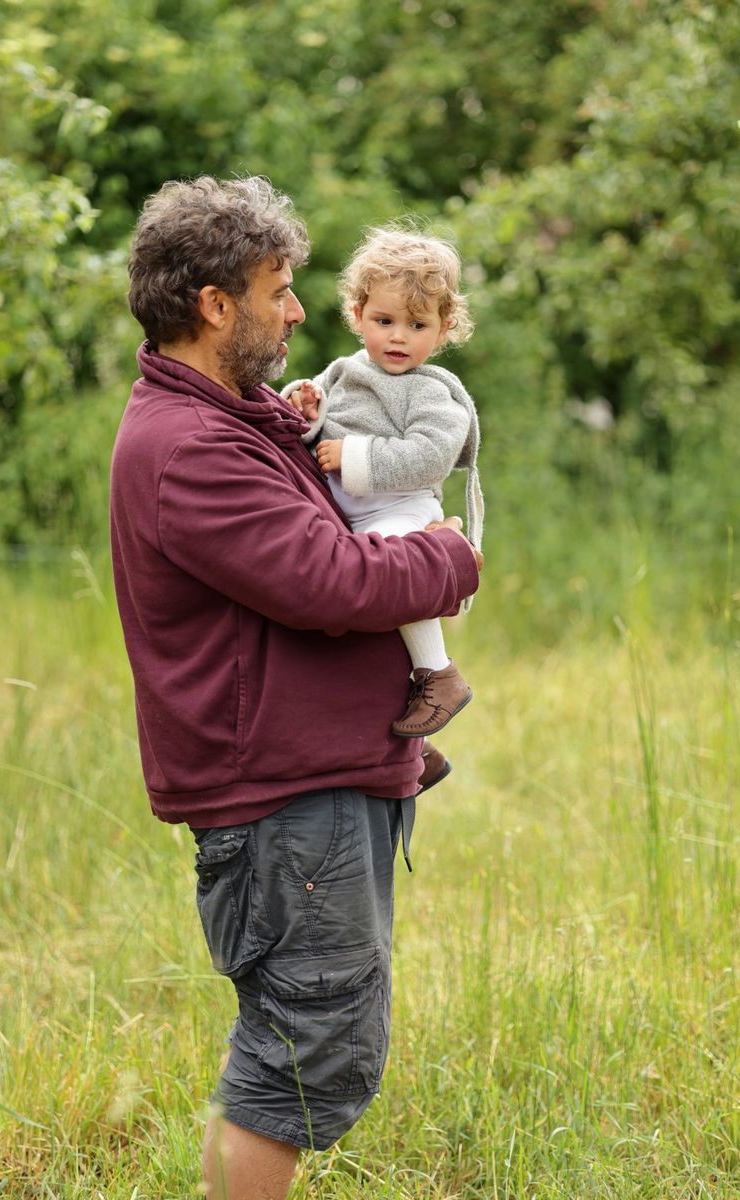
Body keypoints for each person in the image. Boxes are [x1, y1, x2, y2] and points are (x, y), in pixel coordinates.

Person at [110, 175, 482, 1200]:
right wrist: (449, 559)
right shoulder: (191, 449)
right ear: (214, 305)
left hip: (310, 776)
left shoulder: (237, 416)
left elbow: (332, 492)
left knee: (314, 1046)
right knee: (296, 1059)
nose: (298, 310)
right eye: (278, 289)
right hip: (279, 796)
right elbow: (330, 580)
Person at [282, 226, 484, 739]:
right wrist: (305, 408)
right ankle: (404, 742)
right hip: (347, 514)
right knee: (353, 611)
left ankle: (439, 673)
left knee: (392, 565)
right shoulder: (342, 373)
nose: (398, 336)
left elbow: (432, 455)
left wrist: (355, 455)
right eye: (384, 320)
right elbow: (313, 426)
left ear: (443, 330)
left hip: (402, 510)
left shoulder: (431, 392)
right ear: (357, 316)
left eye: (417, 324)